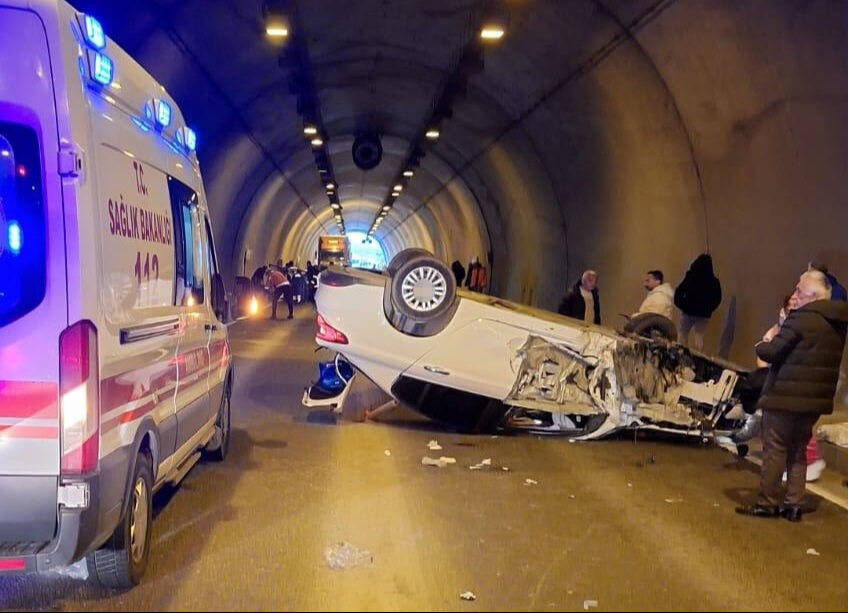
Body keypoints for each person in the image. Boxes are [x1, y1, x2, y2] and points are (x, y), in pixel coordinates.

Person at [736, 271, 848, 522]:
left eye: (799, 291)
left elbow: (773, 351)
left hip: (785, 396)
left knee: (775, 450)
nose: (794, 295)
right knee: (798, 451)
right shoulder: (837, 324)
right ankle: (793, 504)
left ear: (814, 296)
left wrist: (761, 345)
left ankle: (767, 501)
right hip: (814, 400)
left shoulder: (802, 319)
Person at [674, 254, 722, 351]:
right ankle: (698, 359)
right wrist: (709, 309)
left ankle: (681, 355)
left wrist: (682, 305)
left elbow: (679, 291)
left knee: (682, 334)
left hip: (688, 311)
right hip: (703, 315)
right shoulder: (714, 281)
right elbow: (717, 298)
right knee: (699, 337)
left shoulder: (691, 276)